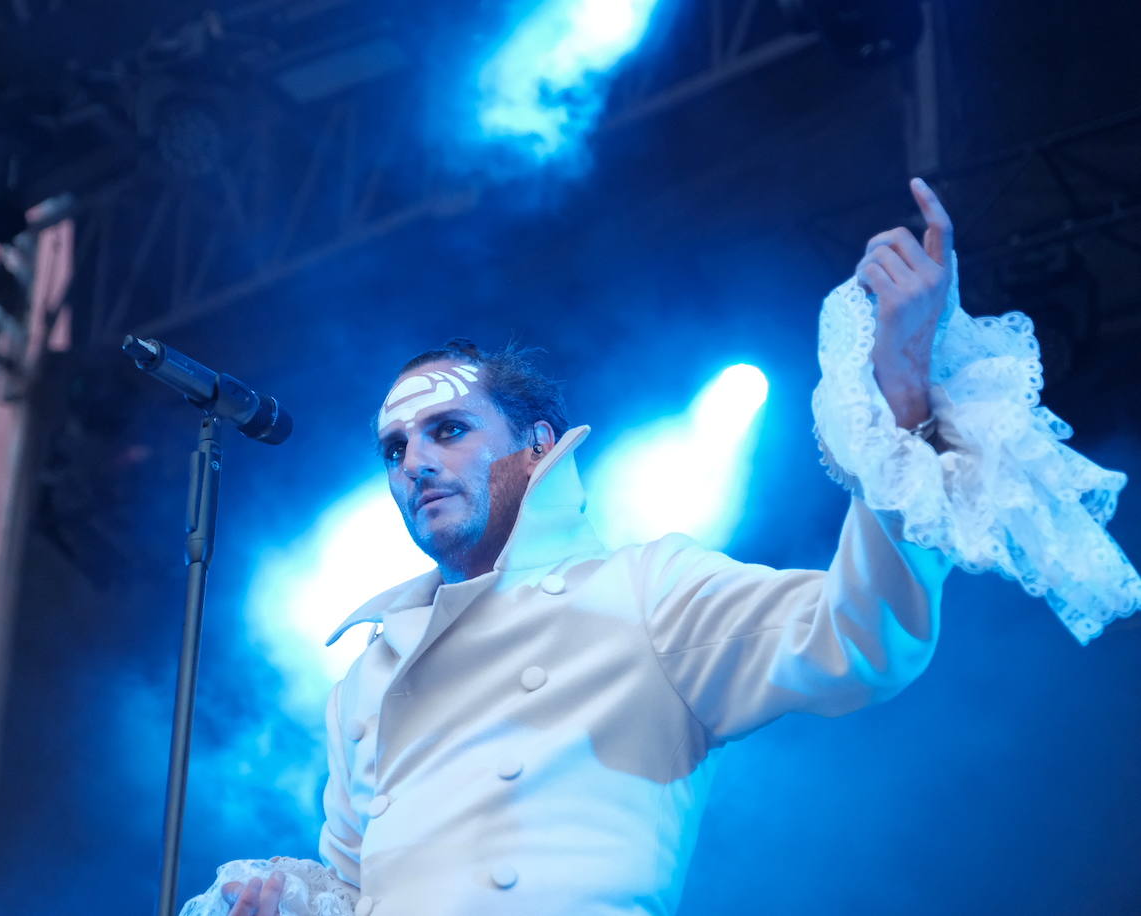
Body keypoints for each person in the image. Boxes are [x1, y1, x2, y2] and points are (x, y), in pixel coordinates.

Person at [204, 179, 1136, 916]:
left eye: (448, 430)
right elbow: (361, 888)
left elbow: (861, 638)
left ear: (538, 445)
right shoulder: (367, 675)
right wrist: (282, 896)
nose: (414, 462)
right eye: (395, 449)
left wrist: (898, 393)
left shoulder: (646, 589)